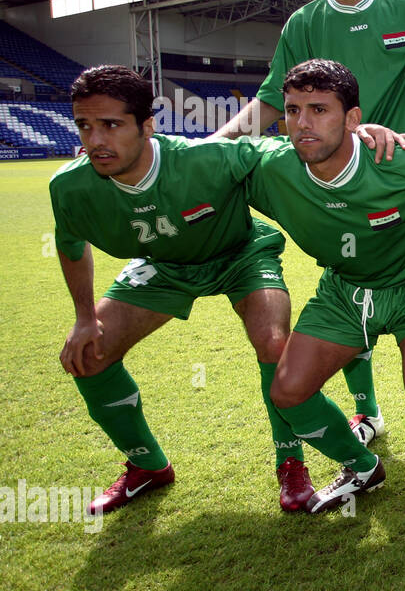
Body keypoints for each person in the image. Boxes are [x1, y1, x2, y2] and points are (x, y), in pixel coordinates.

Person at [214, 0, 405, 460]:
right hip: (335, 185)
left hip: (403, 186)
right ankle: (367, 410)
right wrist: (206, 152)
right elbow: (271, 100)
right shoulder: (304, 23)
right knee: (348, 281)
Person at [51, 65, 306, 514]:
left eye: (111, 125)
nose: (95, 140)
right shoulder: (71, 187)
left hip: (239, 255)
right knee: (88, 356)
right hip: (164, 265)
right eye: (85, 126)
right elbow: (72, 245)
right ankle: (147, 466)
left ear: (146, 126)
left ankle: (291, 464)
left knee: (273, 342)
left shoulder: (203, 160)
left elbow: (276, 153)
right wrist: (84, 317)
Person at [245, 59, 405, 524]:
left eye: (319, 110)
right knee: (288, 391)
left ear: (352, 119)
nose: (302, 124)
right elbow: (192, 163)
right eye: (292, 110)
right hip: (345, 292)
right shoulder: (272, 168)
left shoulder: (403, 157)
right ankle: (363, 466)